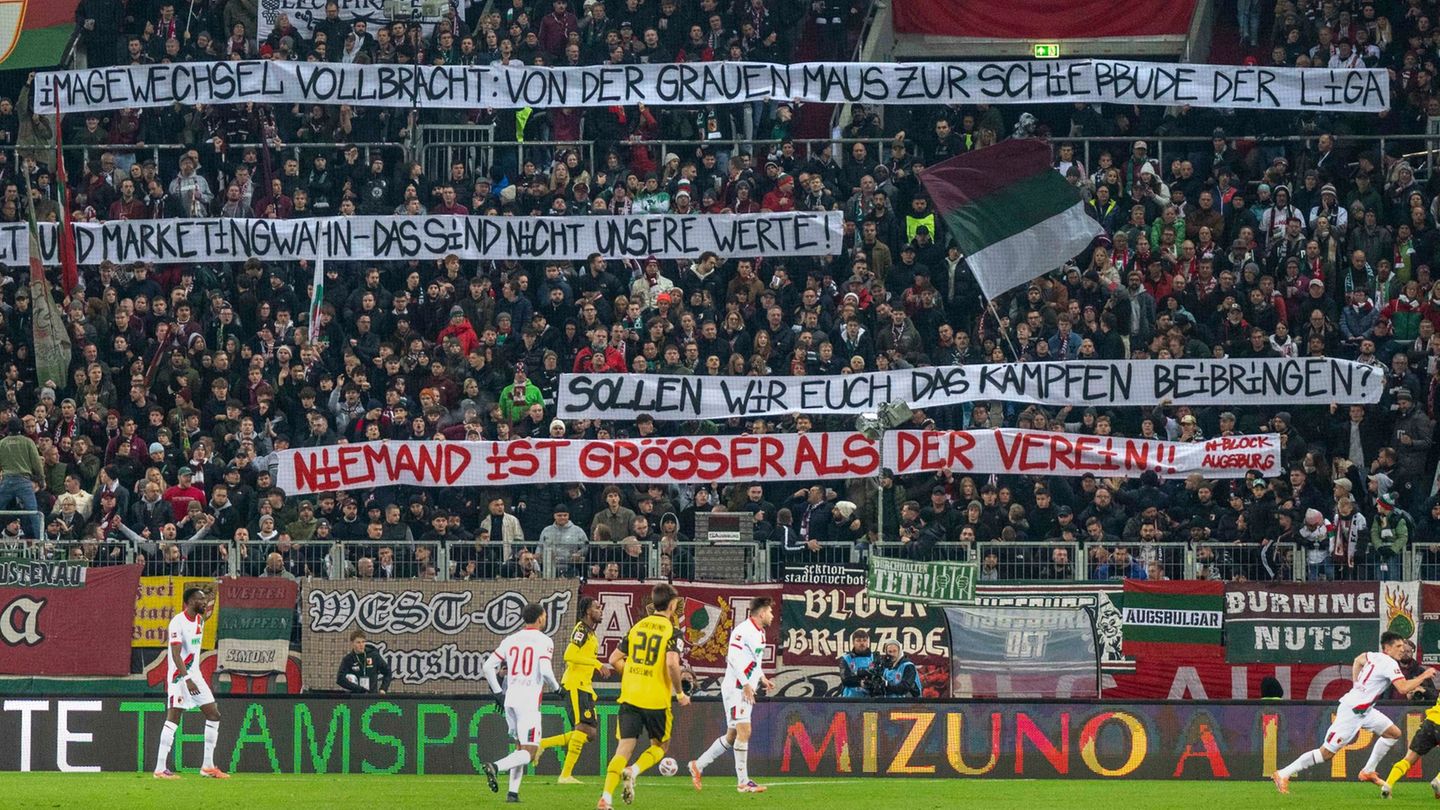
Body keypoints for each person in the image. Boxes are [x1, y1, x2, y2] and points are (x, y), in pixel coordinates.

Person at [1272, 632, 1436, 794]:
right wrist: (1424, 675)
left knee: (1393, 733)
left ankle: (1368, 770)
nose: (1402, 649)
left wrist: (1356, 683)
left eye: (1403, 646)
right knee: (1326, 753)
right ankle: (1283, 773)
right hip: (1352, 712)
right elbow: (1403, 688)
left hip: (1365, 710)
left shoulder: (1373, 656)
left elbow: (1358, 660)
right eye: (1398, 646)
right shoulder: (1389, 663)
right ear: (1387, 648)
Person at [598, 583, 691, 810]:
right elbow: (671, 662)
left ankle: (605, 799)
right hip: (656, 700)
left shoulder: (637, 627)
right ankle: (634, 770)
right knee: (661, 746)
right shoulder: (672, 631)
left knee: (623, 749)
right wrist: (680, 693)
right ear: (672, 604)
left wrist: (631, 673)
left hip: (630, 697)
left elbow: (613, 659)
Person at [687, 596, 775, 793]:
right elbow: (733, 658)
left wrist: (762, 678)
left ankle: (697, 765)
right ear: (761, 613)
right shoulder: (742, 630)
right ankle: (743, 782)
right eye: (769, 611)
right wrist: (745, 684)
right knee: (745, 731)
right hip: (737, 688)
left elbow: (754, 660)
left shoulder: (760, 633)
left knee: (732, 735)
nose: (772, 615)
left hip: (745, 687)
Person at [482, 603, 560, 803]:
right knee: (530, 752)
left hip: (510, 699)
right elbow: (545, 670)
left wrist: (498, 693)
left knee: (520, 747)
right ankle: (496, 766)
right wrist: (558, 689)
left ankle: (512, 794)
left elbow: (488, 666)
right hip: (528, 701)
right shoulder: (545, 641)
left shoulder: (511, 639)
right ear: (541, 618)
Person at [153, 586, 228, 779]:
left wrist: (193, 677)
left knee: (213, 714)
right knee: (173, 718)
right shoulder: (177, 623)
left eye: (205, 600)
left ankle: (207, 766)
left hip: (195, 675)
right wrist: (186, 679)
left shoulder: (200, 620)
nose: (204, 602)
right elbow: (176, 655)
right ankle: (160, 769)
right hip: (180, 678)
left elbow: (192, 652)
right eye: (200, 599)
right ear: (189, 602)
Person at [536, 596, 612, 784]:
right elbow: (569, 655)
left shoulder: (591, 633)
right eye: (596, 607)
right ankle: (565, 775)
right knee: (583, 728)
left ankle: (543, 744)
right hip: (575, 685)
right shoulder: (581, 630)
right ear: (587, 611)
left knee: (591, 733)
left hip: (584, 686)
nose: (600, 610)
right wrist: (596, 663)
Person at [1383, 678, 1440, 798]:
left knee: (1409, 759)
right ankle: (1438, 781)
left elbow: (1434, 694)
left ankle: (1387, 785)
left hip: (1429, 722)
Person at [0, 418, 43, 543]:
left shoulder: (2, 443)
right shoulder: (28, 442)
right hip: (24, 482)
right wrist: (42, 480)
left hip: (7, 481)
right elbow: (37, 463)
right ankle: (41, 542)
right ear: (22, 428)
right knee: (34, 513)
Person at [336, 629, 392, 695]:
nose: (361, 645)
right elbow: (340, 679)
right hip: (355, 696)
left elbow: (388, 672)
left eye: (363, 642)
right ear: (352, 643)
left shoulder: (373, 655)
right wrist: (358, 688)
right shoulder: (348, 659)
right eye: (358, 642)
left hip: (372, 696)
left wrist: (383, 688)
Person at [838, 629, 876, 697]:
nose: (862, 643)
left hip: (870, 699)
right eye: (858, 641)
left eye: (864, 640)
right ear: (853, 642)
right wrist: (860, 683)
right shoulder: (846, 658)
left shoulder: (875, 658)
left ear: (868, 642)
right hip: (850, 699)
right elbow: (845, 679)